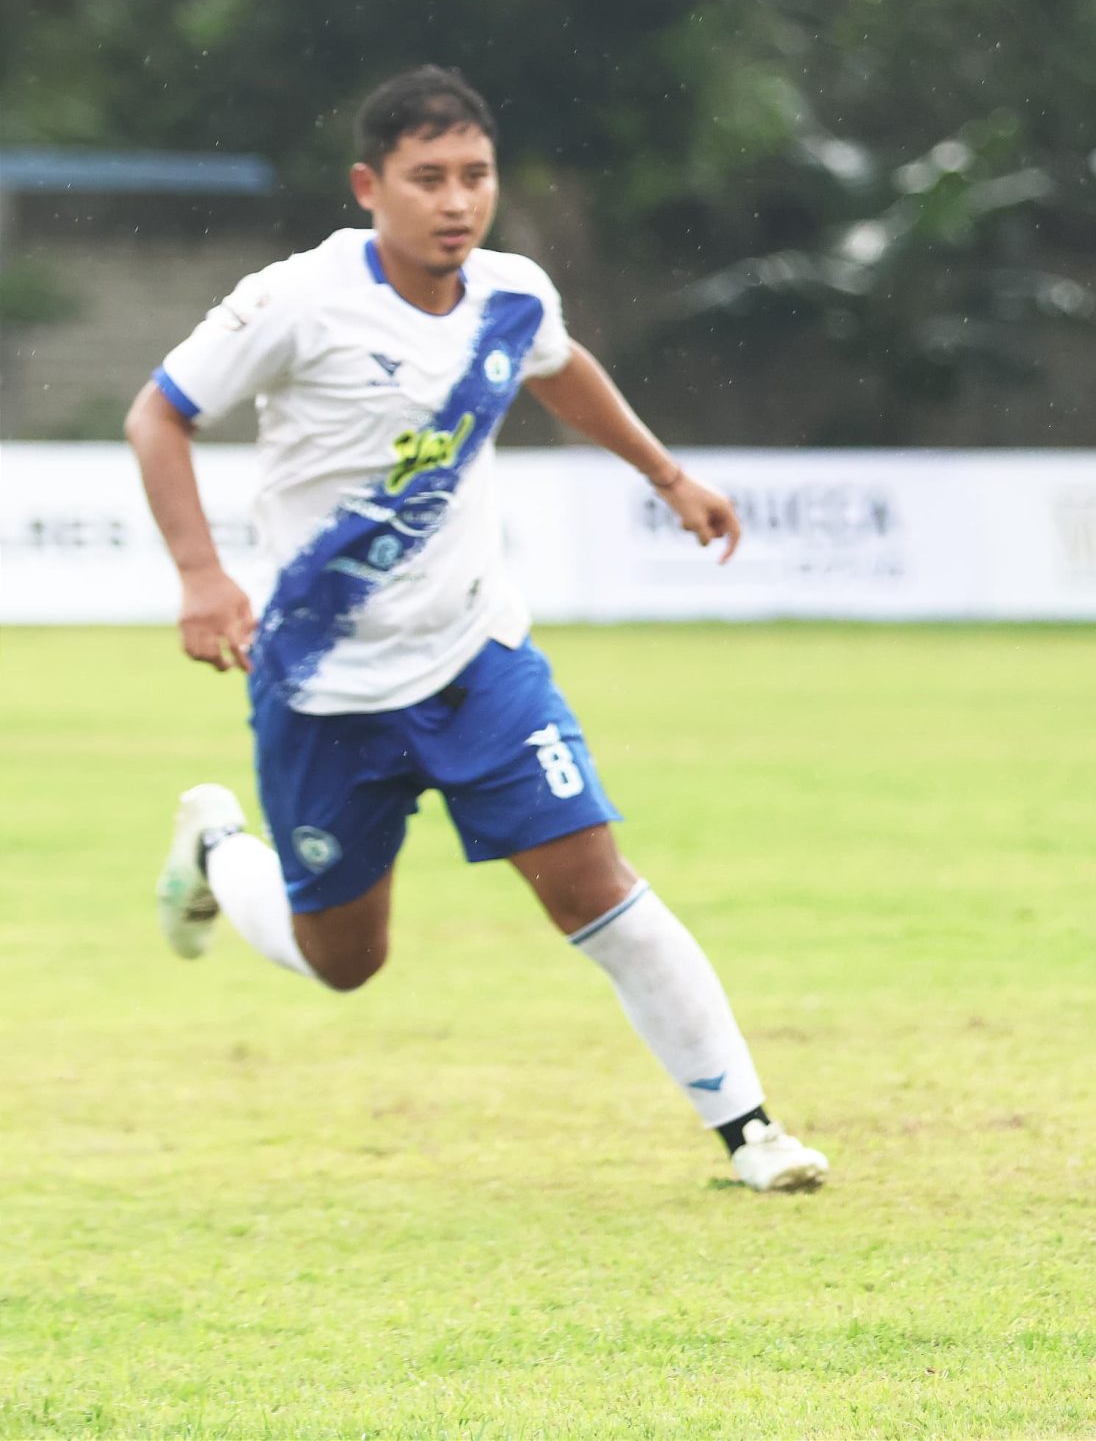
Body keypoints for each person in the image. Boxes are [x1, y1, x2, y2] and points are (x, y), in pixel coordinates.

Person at [127, 66, 830, 1190]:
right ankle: (218, 846)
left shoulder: (512, 294)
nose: (456, 202)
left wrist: (666, 476)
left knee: (594, 886)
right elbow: (158, 415)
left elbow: (559, 369)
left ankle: (752, 1133)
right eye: (427, 179)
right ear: (370, 186)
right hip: (325, 689)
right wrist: (201, 577)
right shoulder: (297, 301)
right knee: (345, 962)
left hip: (475, 662)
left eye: (475, 177)